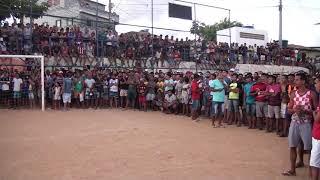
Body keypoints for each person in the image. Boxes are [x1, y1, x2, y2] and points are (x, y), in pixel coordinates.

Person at [282, 73, 318, 176]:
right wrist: (294, 110)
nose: (295, 81)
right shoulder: (293, 93)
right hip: (295, 122)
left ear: (303, 81)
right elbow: (288, 109)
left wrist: (305, 111)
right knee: (292, 146)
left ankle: (312, 172)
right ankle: (292, 169)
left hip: (307, 124)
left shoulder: (311, 94)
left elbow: (317, 111)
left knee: (310, 149)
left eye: (297, 80)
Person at [310, 76, 320, 180]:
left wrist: (313, 112)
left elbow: (317, 119)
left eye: (317, 83)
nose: (315, 85)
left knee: (315, 164)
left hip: (318, 135)